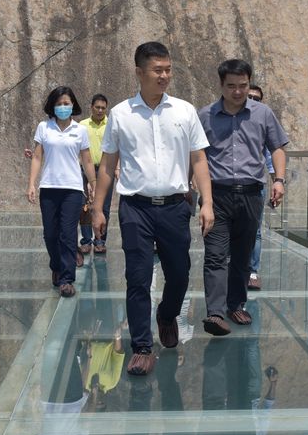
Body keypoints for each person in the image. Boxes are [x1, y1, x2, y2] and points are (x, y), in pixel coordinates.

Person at [91, 41, 214, 376]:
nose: (164, 76)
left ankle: (167, 314)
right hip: (136, 208)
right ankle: (142, 347)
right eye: (158, 70)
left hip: (175, 206)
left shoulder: (184, 111)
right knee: (138, 277)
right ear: (139, 72)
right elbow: (107, 166)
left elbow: (199, 159)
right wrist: (98, 209)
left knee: (179, 274)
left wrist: (207, 202)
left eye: (168, 70)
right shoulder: (120, 114)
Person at [198, 60, 288, 336]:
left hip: (251, 194)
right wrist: (197, 193)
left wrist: (279, 180)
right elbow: (196, 156)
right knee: (215, 254)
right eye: (231, 86)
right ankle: (215, 313)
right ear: (221, 85)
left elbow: (277, 148)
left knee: (242, 255)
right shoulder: (205, 116)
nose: (238, 92)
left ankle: (235, 304)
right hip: (217, 195)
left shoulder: (263, 113)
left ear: (249, 83)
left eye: (243, 86)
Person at [28, 86, 97, 298]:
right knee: (50, 234)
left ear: (73, 105)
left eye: (66, 103)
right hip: (49, 188)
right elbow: (37, 157)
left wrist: (93, 183)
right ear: (52, 106)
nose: (63, 107)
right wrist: (31, 184)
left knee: (68, 234)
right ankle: (56, 266)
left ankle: (67, 279)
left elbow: (86, 159)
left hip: (72, 190)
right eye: (59, 104)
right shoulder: (44, 127)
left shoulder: (80, 130)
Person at [246, 84, 276, 291]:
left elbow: (271, 155)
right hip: (227, 186)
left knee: (255, 231)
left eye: (257, 99)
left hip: (256, 185)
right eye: (250, 97)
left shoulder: (263, 121)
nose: (252, 101)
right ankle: (230, 269)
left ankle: (252, 271)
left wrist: (278, 181)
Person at [78, 94, 113, 255]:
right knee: (84, 206)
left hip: (105, 170)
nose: (100, 110)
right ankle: (86, 241)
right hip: (84, 170)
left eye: (103, 108)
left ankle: (100, 241)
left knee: (104, 206)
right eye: (97, 107)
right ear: (91, 107)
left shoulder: (111, 125)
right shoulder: (82, 125)